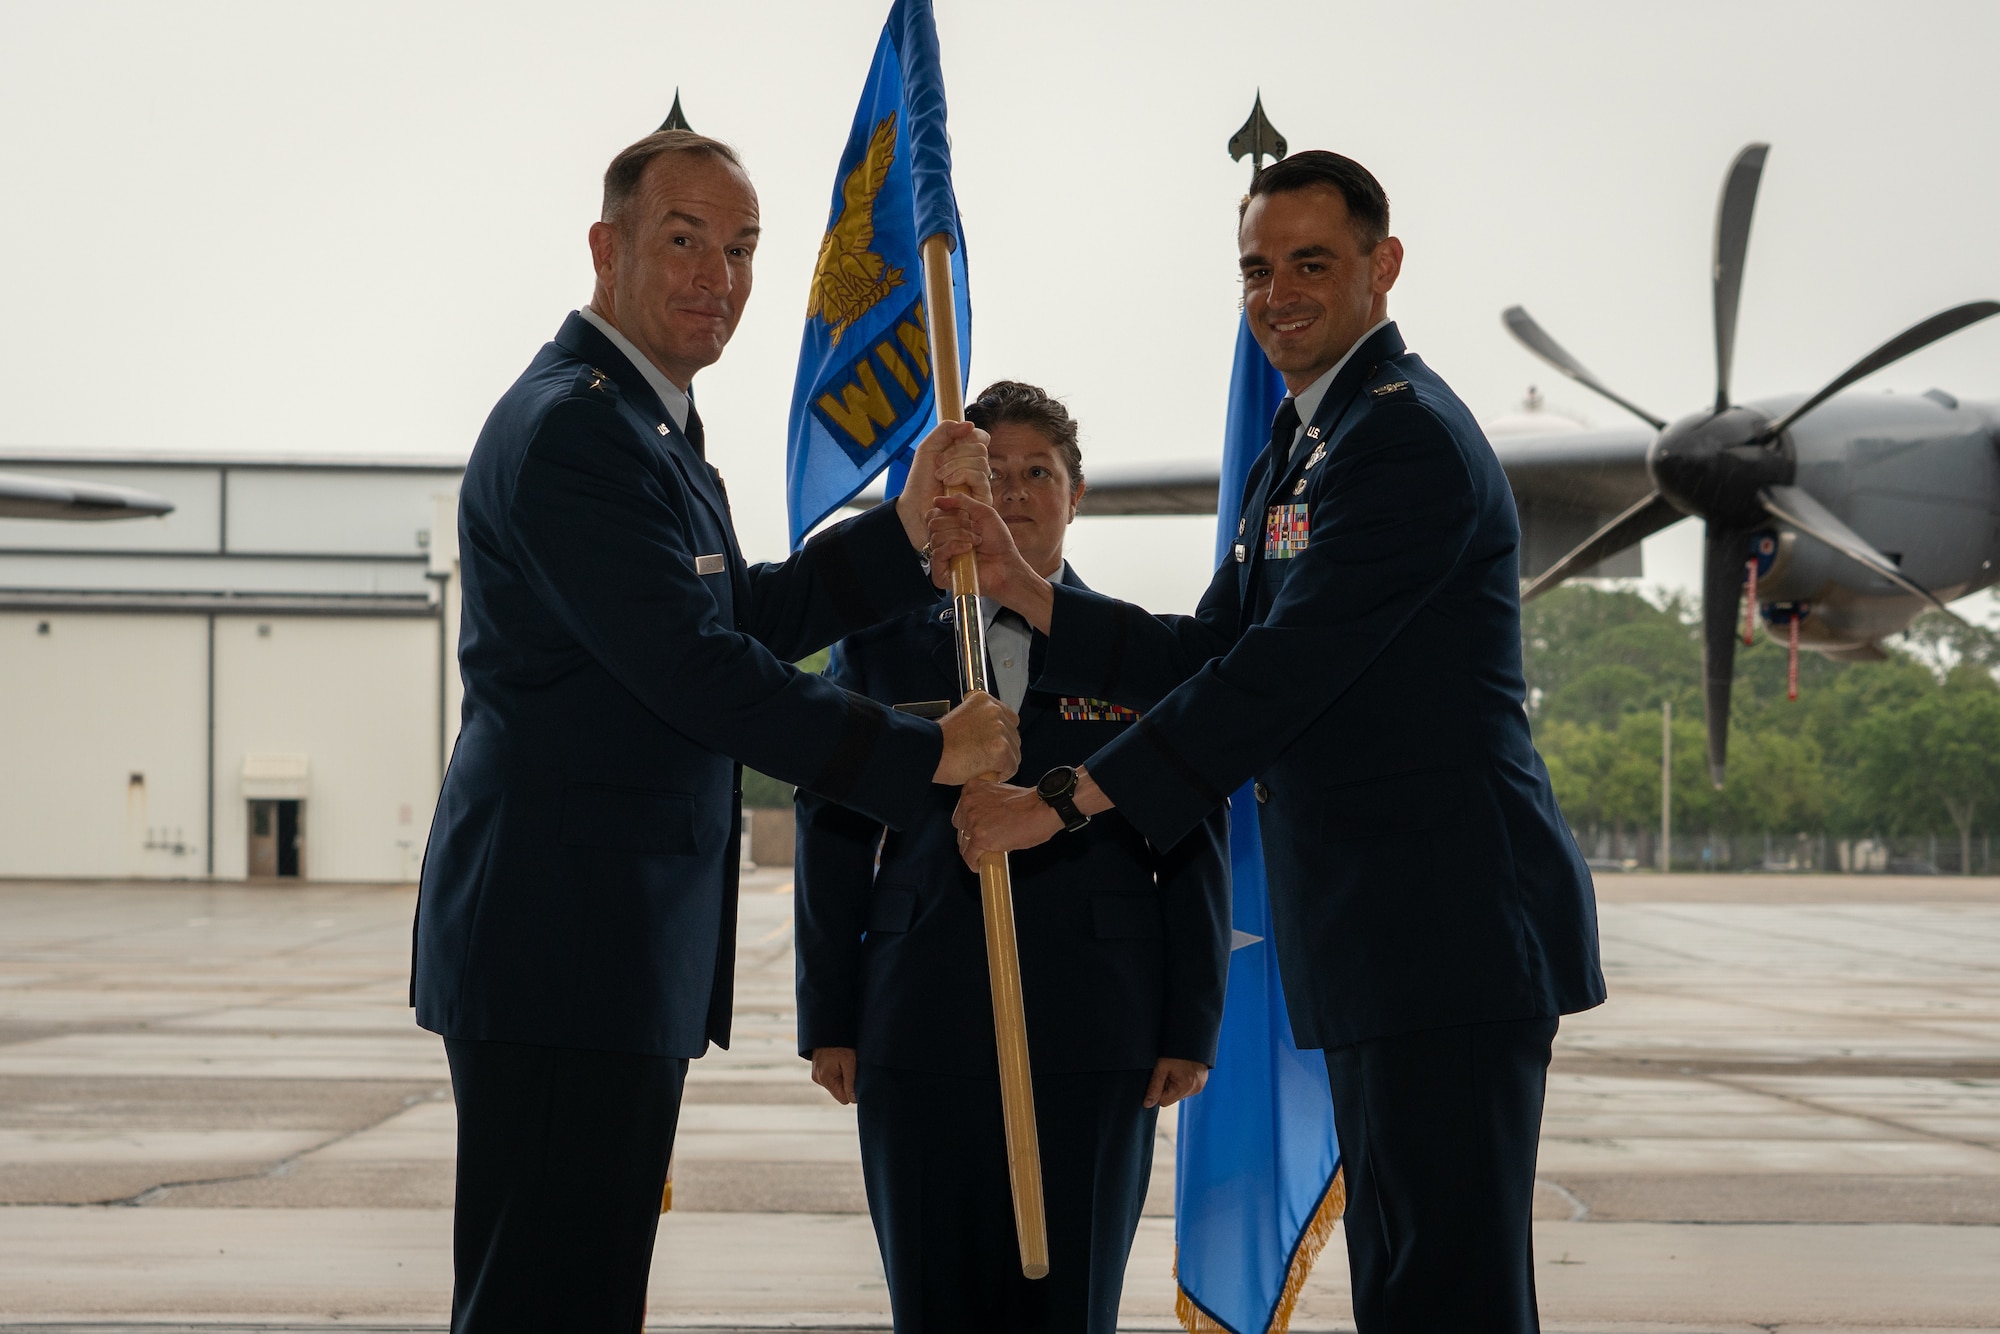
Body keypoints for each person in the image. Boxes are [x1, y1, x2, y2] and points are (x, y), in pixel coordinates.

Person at [951, 151, 1607, 1333]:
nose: (1277, 292)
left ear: (1381, 266)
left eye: (1311, 262)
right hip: (1378, 934)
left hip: (1445, 931)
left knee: (1446, 1289)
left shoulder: (1400, 443)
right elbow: (1212, 645)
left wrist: (1060, 798)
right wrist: (1024, 587)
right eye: (1256, 267)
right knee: (1410, 1281)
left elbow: (1275, 677)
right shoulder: (1306, 442)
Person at [410, 128, 1019, 1334]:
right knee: (545, 1295)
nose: (717, 276)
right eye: (683, 239)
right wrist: (919, 755)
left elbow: (739, 611)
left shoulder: (650, 430)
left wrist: (900, 532)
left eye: (740, 248)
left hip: (605, 945)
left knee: (580, 1289)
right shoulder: (576, 432)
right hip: (562, 943)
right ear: (607, 247)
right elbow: (696, 671)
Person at [794, 381, 1230, 1334]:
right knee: (935, 1297)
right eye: (995, 473)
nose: (1020, 492)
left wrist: (1188, 1024)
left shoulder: (1134, 651)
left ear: (1078, 495)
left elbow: (1191, 827)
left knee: (1067, 1298)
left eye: (1042, 472)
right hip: (918, 1021)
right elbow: (830, 827)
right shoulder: (880, 649)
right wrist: (830, 1012)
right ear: (959, 493)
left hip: (1099, 1026)